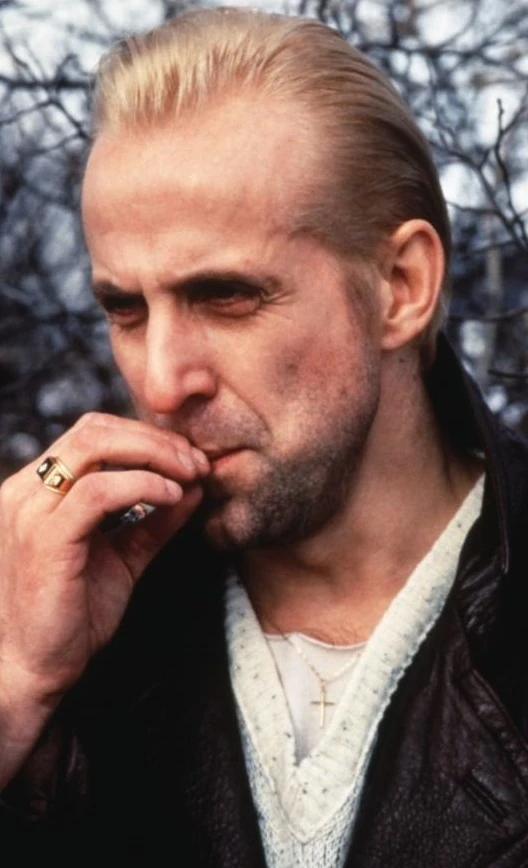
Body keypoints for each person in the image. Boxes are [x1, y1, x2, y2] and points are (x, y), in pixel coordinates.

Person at [1, 7, 527, 866]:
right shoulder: (70, 631)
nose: (161, 383)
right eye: (125, 310)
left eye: (226, 297)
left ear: (401, 285)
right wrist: (14, 688)